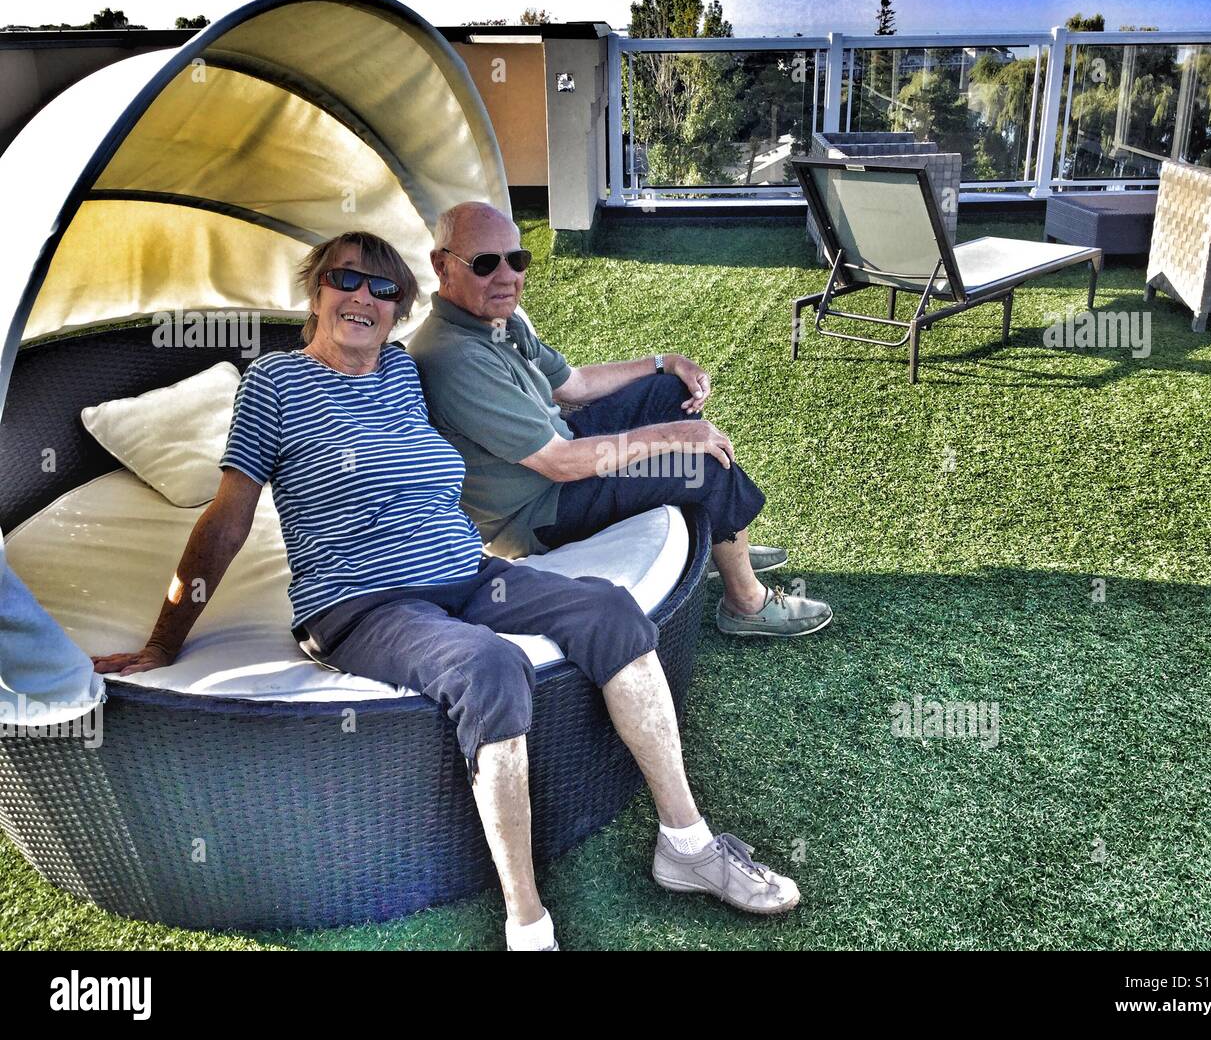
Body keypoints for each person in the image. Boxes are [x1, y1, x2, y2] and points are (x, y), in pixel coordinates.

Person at [90, 231, 800, 951]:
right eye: (348, 280)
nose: (365, 297)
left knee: (610, 611)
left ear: (400, 308)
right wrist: (164, 639)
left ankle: (686, 846)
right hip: (361, 603)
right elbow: (228, 520)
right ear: (315, 289)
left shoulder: (401, 372)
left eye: (384, 288)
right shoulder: (274, 384)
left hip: (468, 572)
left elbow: (529, 387)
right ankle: (528, 924)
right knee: (490, 667)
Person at [407, 202, 833, 638]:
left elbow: (573, 385)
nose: (506, 276)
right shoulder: (455, 356)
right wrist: (675, 436)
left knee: (670, 390)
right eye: (484, 263)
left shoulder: (498, 322)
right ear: (442, 266)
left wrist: (663, 363)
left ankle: (725, 536)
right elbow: (559, 463)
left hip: (561, 459)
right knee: (695, 463)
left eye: (516, 260)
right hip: (536, 512)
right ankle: (745, 603)